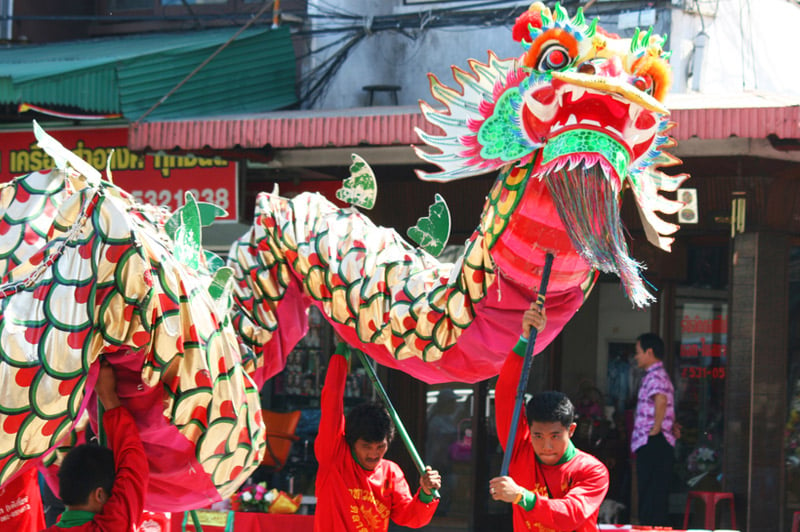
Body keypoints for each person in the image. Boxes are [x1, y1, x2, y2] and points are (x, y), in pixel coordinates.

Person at [490, 303, 609, 531]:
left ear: (571, 430)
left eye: (555, 436)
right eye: (538, 435)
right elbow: (506, 394)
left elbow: (571, 514)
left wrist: (522, 497)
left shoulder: (592, 470)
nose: (546, 445)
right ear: (529, 431)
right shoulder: (520, 449)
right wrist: (525, 340)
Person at [314, 341, 441, 531]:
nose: (374, 454)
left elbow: (410, 517)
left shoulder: (391, 472)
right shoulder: (335, 457)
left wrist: (425, 494)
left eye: (380, 447)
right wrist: (341, 354)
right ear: (351, 442)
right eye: (366, 446)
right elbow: (332, 400)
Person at [44, 359, 149, 531]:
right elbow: (133, 465)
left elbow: (133, 466)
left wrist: (108, 398)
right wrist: (107, 395)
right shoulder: (111, 527)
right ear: (99, 495)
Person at [631, 332, 675, 526]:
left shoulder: (656, 375)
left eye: (638, 352)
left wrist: (656, 428)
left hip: (653, 441)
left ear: (649, 352)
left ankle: (650, 528)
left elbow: (661, 399)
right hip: (655, 440)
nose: (636, 356)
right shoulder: (656, 375)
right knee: (654, 492)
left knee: (651, 493)